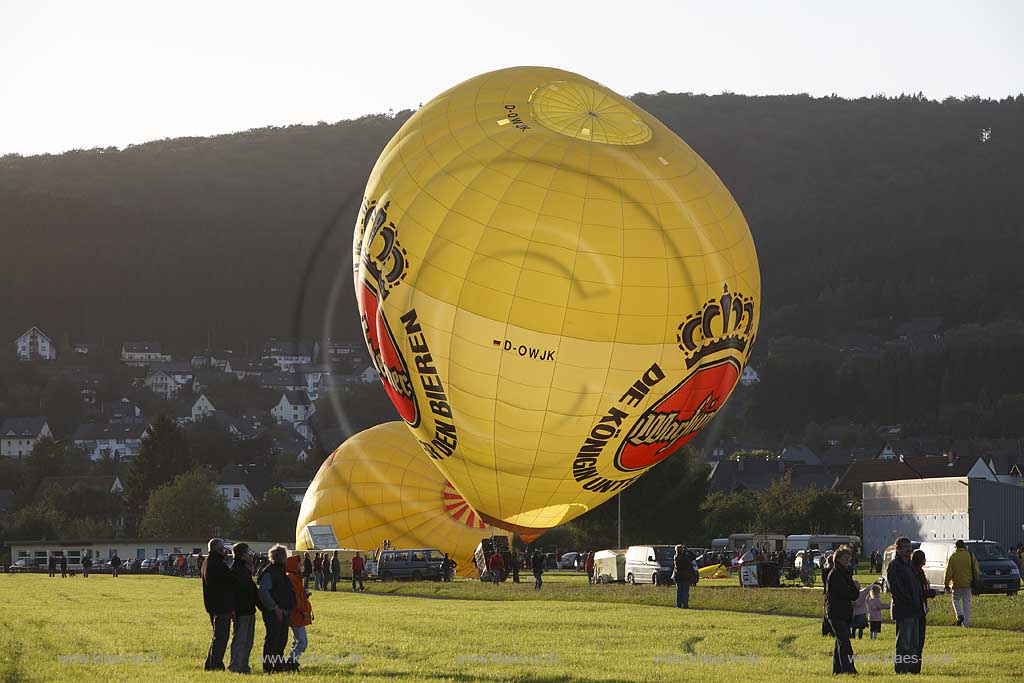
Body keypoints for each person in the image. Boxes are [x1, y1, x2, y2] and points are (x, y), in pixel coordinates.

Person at [887, 536, 924, 675]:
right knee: (904, 642)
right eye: (905, 547)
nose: (909, 550)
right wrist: (909, 600)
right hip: (904, 609)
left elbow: (917, 587)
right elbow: (896, 589)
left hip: (915, 609)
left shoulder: (910, 565)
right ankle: (901, 669)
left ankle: (913, 670)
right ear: (898, 549)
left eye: (909, 547)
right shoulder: (895, 566)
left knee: (914, 643)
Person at [257, 544, 295, 674]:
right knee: (273, 639)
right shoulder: (270, 572)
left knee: (281, 640)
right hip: (275, 612)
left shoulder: (279, 571)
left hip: (283, 611)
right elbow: (264, 592)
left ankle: (278, 664)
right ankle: (268, 667)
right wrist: (275, 608)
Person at [201, 538, 236, 671]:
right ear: (218, 550)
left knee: (217, 637)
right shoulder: (218, 565)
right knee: (221, 638)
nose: (225, 552)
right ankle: (215, 665)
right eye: (223, 549)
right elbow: (228, 585)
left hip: (212, 606)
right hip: (221, 607)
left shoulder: (207, 562)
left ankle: (210, 663)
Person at [825, 546, 860, 674]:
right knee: (845, 643)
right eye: (845, 558)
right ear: (837, 559)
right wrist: (854, 588)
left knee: (840, 642)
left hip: (843, 612)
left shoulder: (845, 573)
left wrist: (853, 590)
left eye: (849, 559)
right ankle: (849, 670)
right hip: (836, 613)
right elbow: (848, 593)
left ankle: (837, 670)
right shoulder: (835, 574)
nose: (847, 561)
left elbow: (853, 593)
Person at [228, 543, 257, 674]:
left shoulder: (243, 569)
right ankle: (235, 666)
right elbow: (243, 591)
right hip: (242, 610)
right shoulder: (237, 570)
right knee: (240, 639)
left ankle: (243, 666)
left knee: (248, 641)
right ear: (242, 555)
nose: (250, 555)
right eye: (248, 552)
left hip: (248, 609)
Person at [284, 554, 313, 671]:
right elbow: (296, 599)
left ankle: (292, 661)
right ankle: (292, 661)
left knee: (297, 640)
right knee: (302, 642)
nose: (300, 566)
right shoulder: (292, 578)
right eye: (298, 563)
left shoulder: (294, 577)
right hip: (297, 614)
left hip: (297, 614)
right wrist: (303, 612)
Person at [911, 548, 936, 674]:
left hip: (920, 608)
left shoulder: (917, 571)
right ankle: (915, 668)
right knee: (918, 641)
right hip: (918, 609)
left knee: (916, 641)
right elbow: (920, 591)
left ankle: (915, 668)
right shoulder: (918, 573)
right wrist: (931, 593)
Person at [943, 539, 979, 627]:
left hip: (956, 584)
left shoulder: (953, 557)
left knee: (955, 600)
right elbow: (976, 569)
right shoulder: (970, 555)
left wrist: (946, 584)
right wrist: (976, 579)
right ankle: (966, 623)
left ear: (956, 547)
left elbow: (948, 572)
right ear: (964, 546)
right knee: (966, 603)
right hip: (968, 583)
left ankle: (959, 615)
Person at [671, 545, 696, 609]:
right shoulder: (685, 558)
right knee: (685, 592)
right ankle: (685, 605)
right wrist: (687, 550)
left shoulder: (676, 557)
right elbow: (693, 556)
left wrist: (684, 552)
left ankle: (678, 605)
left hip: (678, 576)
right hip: (685, 576)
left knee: (679, 591)